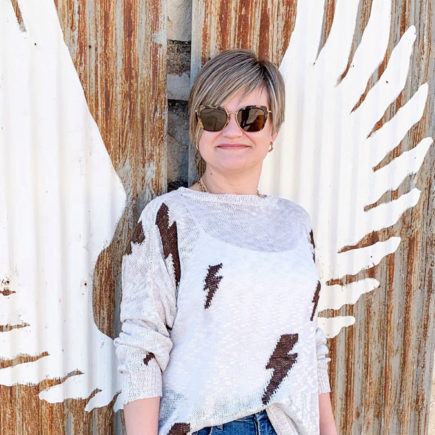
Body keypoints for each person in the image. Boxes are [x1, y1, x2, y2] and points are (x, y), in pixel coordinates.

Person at [114, 49, 337, 435]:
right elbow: (142, 347)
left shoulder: (296, 222)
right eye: (214, 117)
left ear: (273, 132)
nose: (232, 130)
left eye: (252, 117)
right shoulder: (170, 217)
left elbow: (310, 345)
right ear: (196, 129)